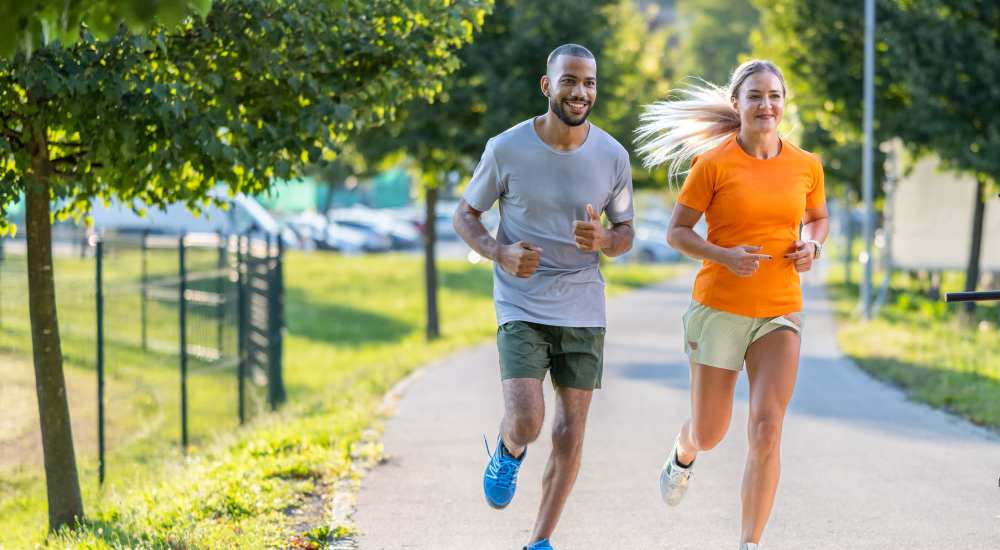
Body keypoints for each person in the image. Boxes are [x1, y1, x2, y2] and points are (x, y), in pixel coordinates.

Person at [634, 59, 829, 550]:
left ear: (784, 103)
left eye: (775, 96)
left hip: (780, 310)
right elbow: (675, 232)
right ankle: (683, 452)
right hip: (719, 307)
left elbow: (818, 217)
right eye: (756, 96)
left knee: (766, 430)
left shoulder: (806, 165)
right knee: (711, 431)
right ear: (737, 104)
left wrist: (814, 244)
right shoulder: (714, 164)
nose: (766, 105)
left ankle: (749, 542)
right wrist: (722, 254)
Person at [453, 43, 635, 550]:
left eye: (590, 83)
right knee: (530, 420)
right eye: (570, 80)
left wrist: (605, 242)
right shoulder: (506, 148)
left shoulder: (612, 156)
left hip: (583, 304)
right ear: (547, 85)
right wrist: (498, 251)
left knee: (569, 433)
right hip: (522, 302)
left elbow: (625, 232)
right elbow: (465, 214)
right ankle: (509, 449)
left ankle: (539, 540)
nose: (581, 92)